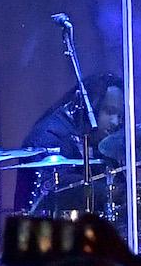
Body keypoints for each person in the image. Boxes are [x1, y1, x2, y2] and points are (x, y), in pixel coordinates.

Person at [17, 73, 124, 213]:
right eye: (109, 112)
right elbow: (57, 188)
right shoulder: (50, 135)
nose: (116, 122)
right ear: (89, 106)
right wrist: (110, 192)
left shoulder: (97, 139)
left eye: (120, 115)